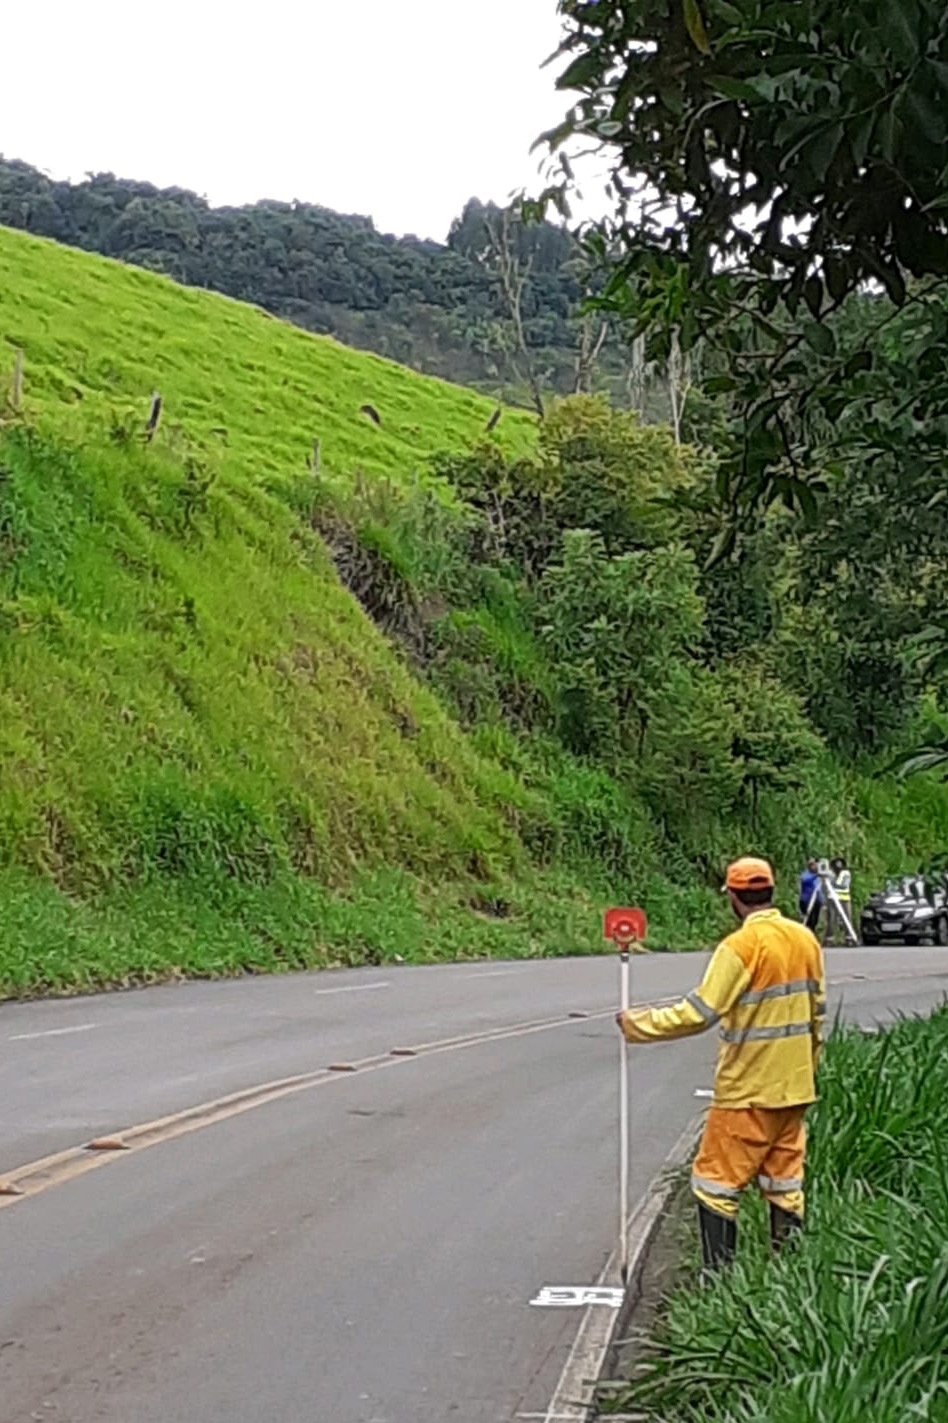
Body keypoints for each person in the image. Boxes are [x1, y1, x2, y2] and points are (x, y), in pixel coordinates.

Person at [616, 856, 826, 1271]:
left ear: (733, 897)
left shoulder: (740, 947)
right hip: (795, 1088)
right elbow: (817, 1014)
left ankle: (719, 1286)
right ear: (771, 890)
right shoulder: (805, 940)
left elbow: (700, 1011)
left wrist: (640, 1026)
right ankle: (789, 1279)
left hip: (747, 1092)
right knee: (785, 1185)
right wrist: (809, 1068)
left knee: (715, 1185)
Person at [827, 856, 852, 945]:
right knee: (831, 919)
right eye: (836, 863)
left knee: (847, 919)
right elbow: (827, 885)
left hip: (844, 899)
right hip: (832, 899)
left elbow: (843, 885)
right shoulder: (830, 873)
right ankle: (830, 938)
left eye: (840, 863)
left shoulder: (846, 873)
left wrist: (833, 883)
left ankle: (849, 938)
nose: (838, 865)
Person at [799, 857, 822, 933]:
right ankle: (808, 932)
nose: (814, 867)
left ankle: (813, 931)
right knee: (809, 919)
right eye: (812, 865)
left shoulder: (818, 877)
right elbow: (805, 880)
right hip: (806, 901)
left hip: (816, 901)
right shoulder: (805, 874)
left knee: (815, 919)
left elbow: (819, 889)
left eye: (815, 865)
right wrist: (816, 875)